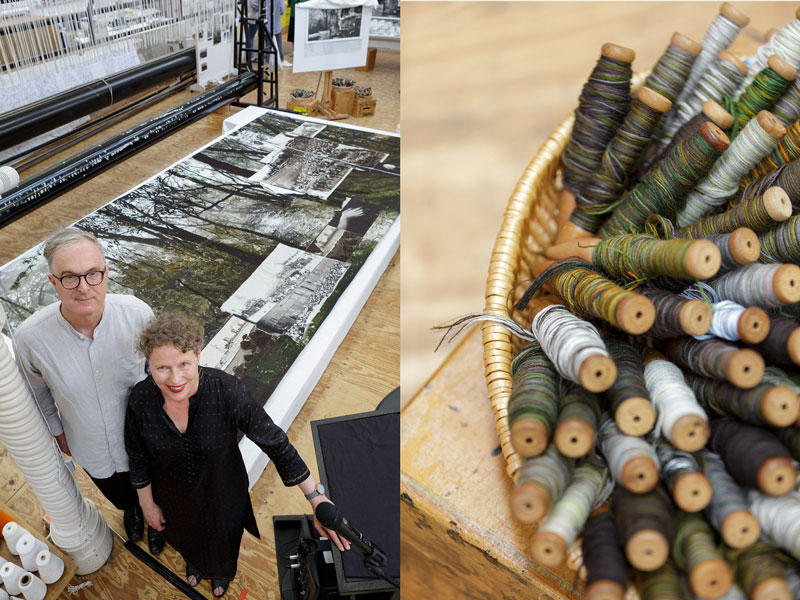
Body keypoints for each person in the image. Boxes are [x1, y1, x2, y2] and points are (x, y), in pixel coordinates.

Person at [125, 313, 349, 598]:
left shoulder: (227, 391)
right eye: (162, 368)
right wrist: (147, 504)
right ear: (149, 365)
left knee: (223, 540)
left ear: (198, 355)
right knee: (186, 537)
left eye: (184, 364)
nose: (175, 378)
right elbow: (138, 455)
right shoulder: (140, 400)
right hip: (173, 497)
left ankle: (221, 571)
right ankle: (195, 562)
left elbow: (275, 443)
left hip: (223, 493)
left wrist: (316, 496)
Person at [13, 227, 157, 549]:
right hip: (90, 447)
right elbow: (39, 398)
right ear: (53, 282)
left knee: (156, 486)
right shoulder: (30, 339)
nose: (83, 288)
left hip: (146, 438)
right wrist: (62, 437)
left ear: (106, 273)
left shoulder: (138, 315)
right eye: (70, 277)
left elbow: (157, 371)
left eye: (92, 274)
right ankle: (132, 509)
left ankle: (155, 517)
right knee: (119, 493)